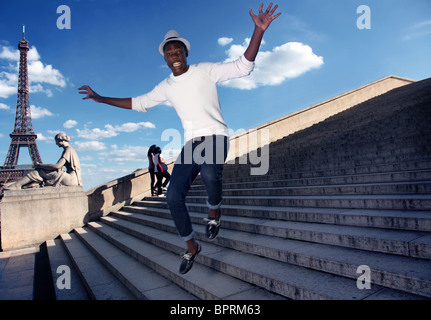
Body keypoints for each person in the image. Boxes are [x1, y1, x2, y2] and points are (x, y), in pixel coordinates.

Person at [78, 3, 281, 274]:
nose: (174, 56)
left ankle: (213, 213)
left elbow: (242, 67)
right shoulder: (166, 86)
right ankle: (192, 247)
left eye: (178, 51)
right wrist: (100, 98)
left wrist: (258, 31)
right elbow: (138, 102)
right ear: (165, 58)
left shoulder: (205, 70)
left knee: (210, 174)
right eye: (169, 53)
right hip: (191, 144)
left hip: (216, 136)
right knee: (173, 196)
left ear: (186, 53)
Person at [3, 132, 82, 190]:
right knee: (42, 172)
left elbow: (58, 165)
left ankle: (17, 185)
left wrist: (40, 165)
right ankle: (22, 184)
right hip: (70, 178)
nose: (56, 143)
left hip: (71, 179)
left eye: (56, 141)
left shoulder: (68, 150)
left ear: (59, 140)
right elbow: (59, 167)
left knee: (40, 171)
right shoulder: (69, 149)